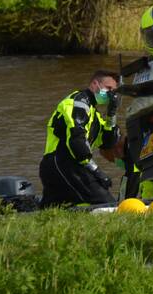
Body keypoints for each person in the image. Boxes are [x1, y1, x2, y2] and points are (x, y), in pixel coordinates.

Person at [39, 69, 120, 207]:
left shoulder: (95, 115)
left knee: (52, 211)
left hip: (62, 166)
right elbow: (77, 141)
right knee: (107, 204)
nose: (111, 94)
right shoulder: (78, 102)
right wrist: (96, 171)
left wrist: (112, 114)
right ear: (95, 84)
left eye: (114, 91)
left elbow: (107, 143)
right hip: (62, 162)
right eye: (108, 88)